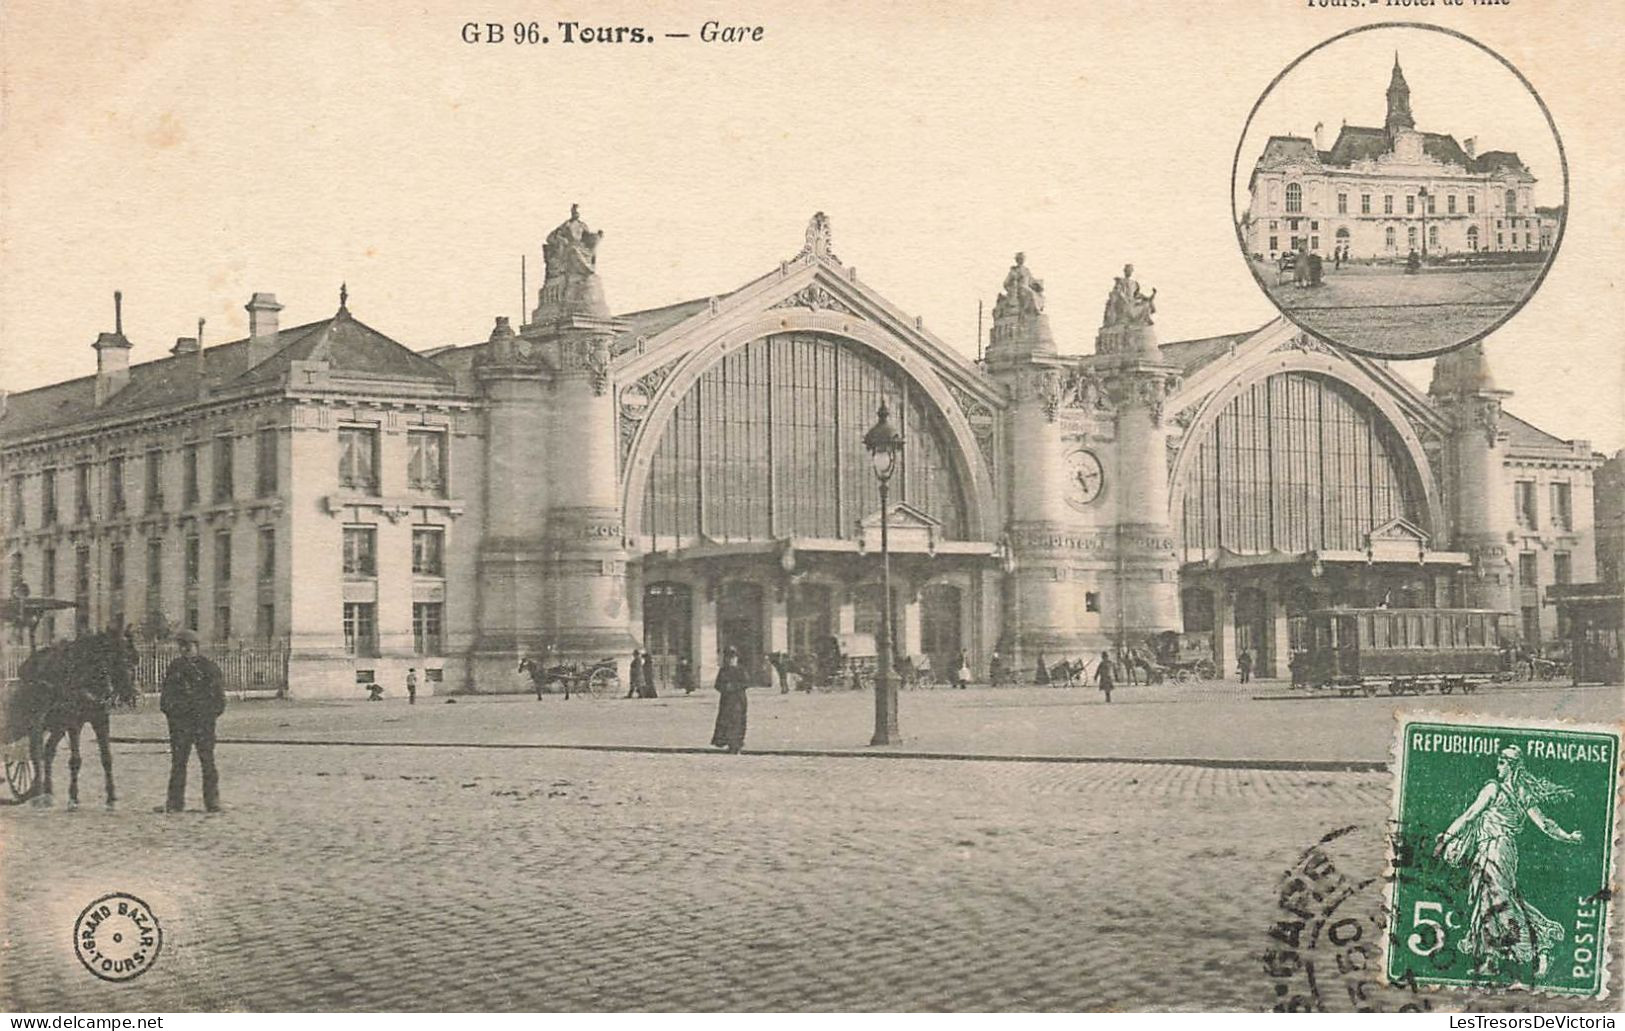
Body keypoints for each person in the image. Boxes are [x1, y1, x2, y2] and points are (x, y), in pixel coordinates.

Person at [1433, 746, 1583, 977]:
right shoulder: (1521, 792)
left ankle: (1536, 948)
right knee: (1490, 900)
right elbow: (1545, 824)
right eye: (1498, 761)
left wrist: (1446, 837)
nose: (1498, 766)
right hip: (1493, 849)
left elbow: (1471, 814)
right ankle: (1493, 958)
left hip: (1497, 849)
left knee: (1499, 900)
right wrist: (1568, 836)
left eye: (1502, 762)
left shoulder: (1494, 788)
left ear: (1512, 766)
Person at [159, 629, 226, 813]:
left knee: (208, 762)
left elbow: (219, 701)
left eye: (187, 646)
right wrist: (174, 715)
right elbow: (165, 698)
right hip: (180, 725)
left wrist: (206, 715)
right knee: (178, 763)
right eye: (181, 646)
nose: (184, 650)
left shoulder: (209, 668)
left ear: (196, 646)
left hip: (203, 724)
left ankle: (212, 801)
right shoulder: (175, 668)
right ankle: (174, 802)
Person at [710, 647, 750, 754]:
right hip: (726, 701)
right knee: (726, 722)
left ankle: (736, 744)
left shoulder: (741, 670)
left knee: (737, 722)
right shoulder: (723, 670)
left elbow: (746, 683)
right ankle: (728, 742)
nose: (731, 660)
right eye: (729, 658)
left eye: (733, 658)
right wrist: (724, 687)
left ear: (736, 659)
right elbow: (717, 685)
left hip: (738, 700)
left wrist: (733, 687)